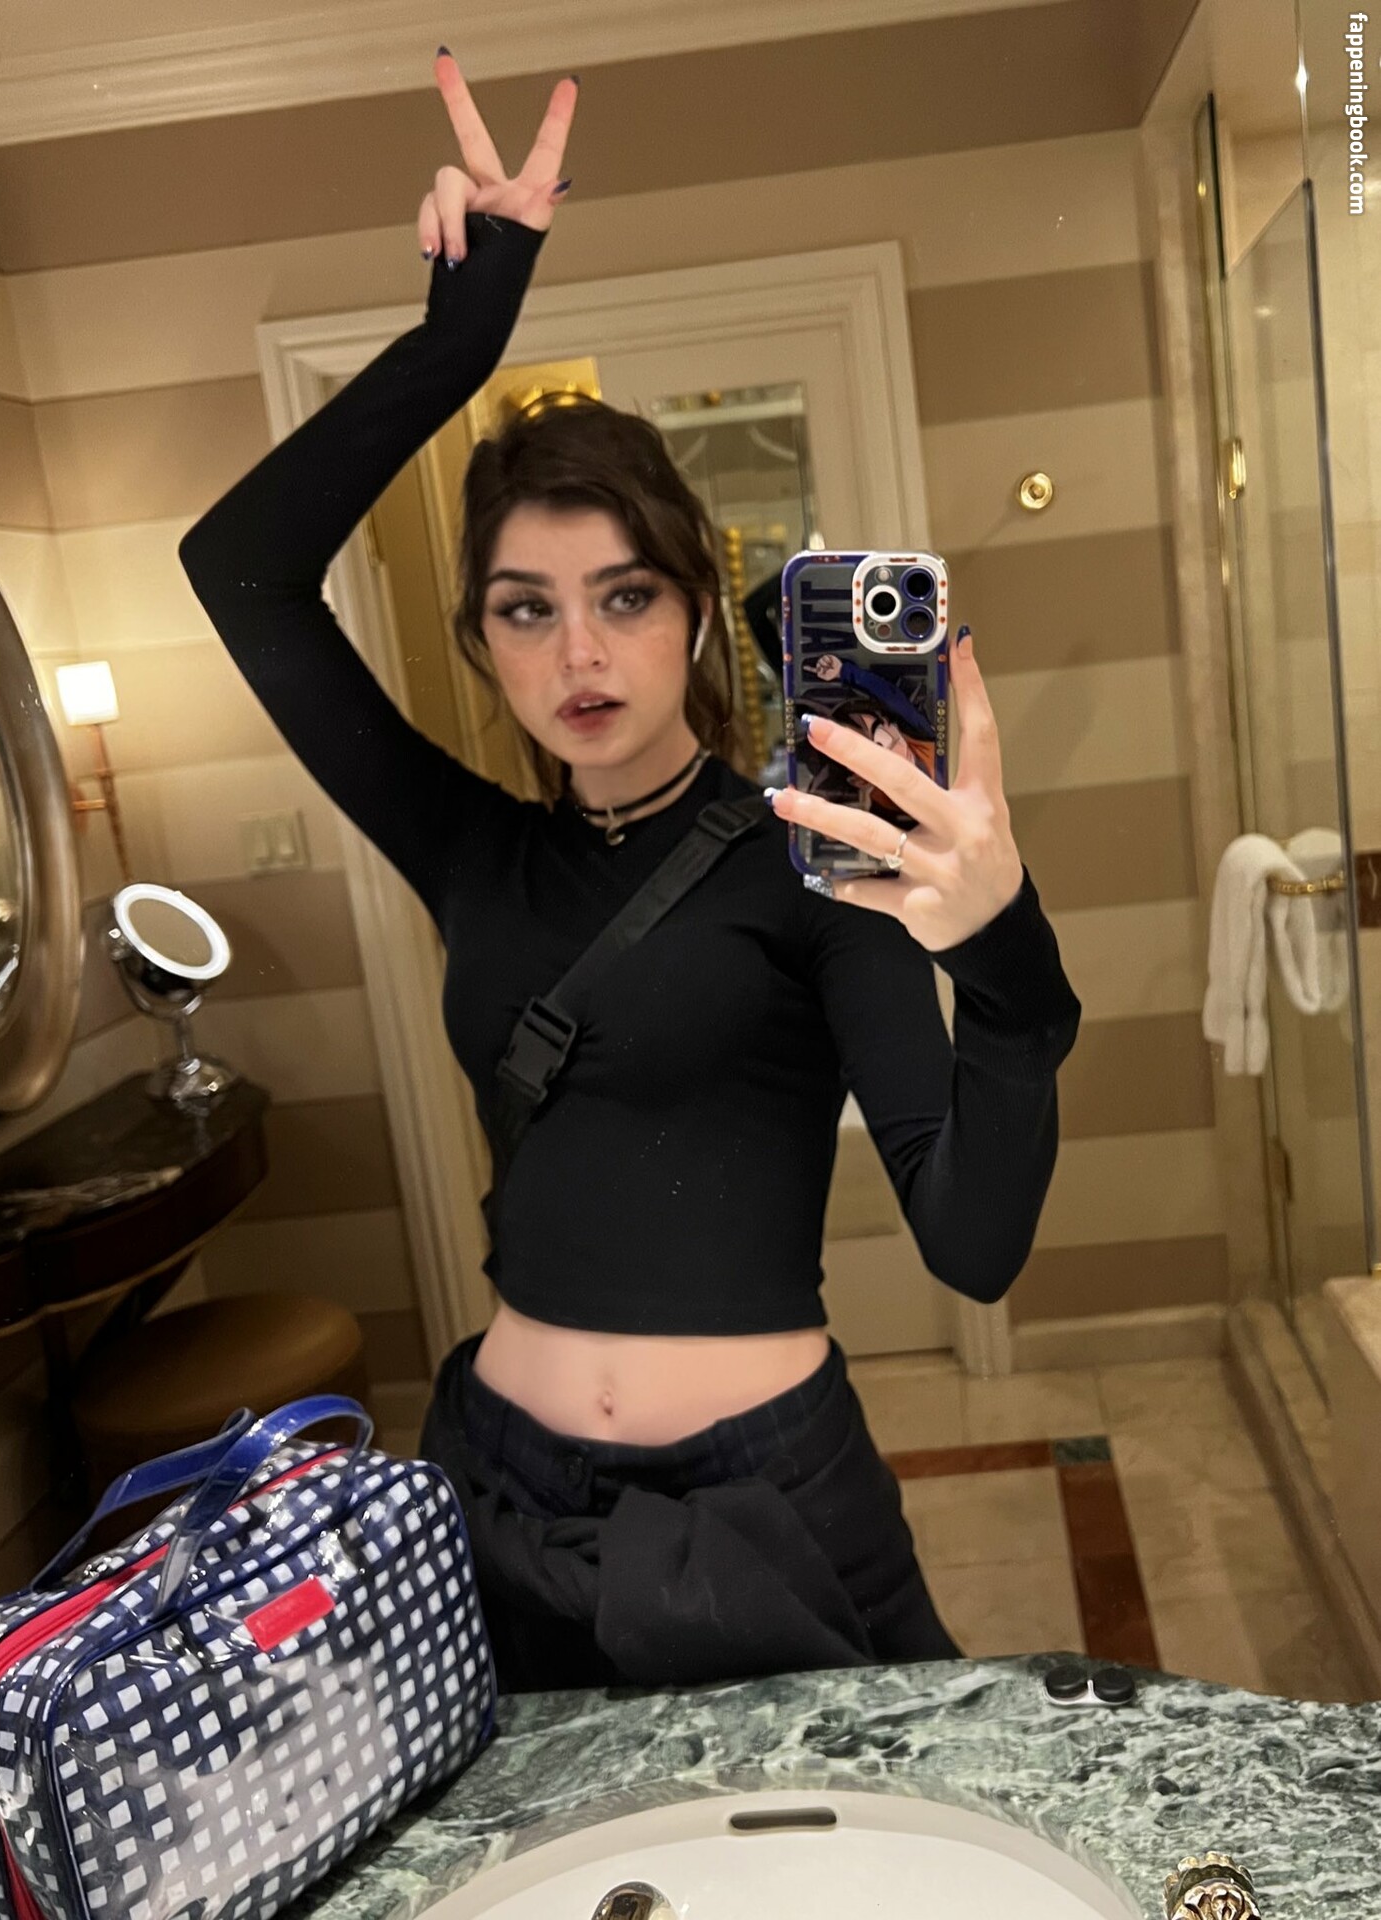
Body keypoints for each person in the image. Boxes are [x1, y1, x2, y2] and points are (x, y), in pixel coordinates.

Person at [178, 52, 1083, 1694]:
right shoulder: (470, 848)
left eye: (624, 596)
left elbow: (972, 1247)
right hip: (497, 1498)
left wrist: (1006, 964)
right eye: (525, 608)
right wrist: (460, 339)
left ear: (692, 612)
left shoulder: (814, 865)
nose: (578, 652)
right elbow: (238, 569)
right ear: (481, 641)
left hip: (763, 1510)